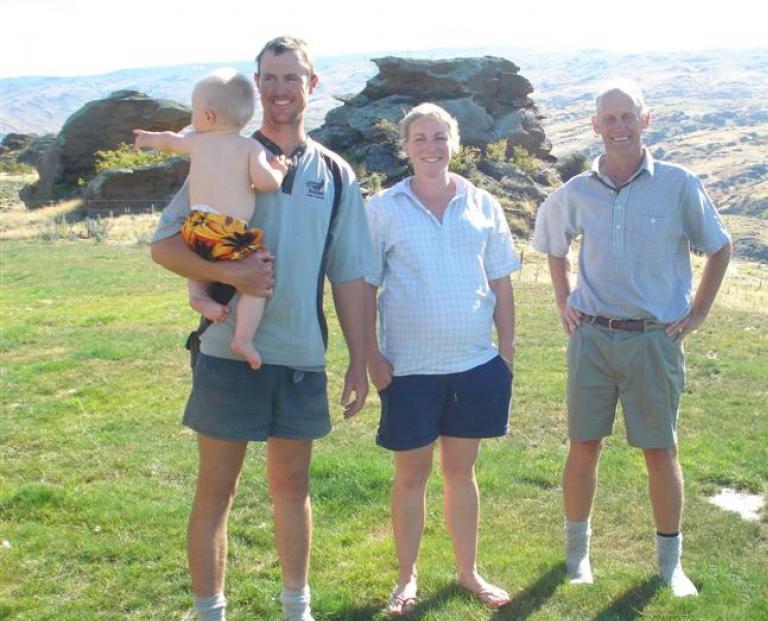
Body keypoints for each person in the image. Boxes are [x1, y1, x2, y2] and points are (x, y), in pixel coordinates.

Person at [150, 36, 371, 621]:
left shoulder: (337, 174)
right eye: (268, 78)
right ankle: (209, 611)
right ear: (255, 85)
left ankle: (297, 608)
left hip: (301, 357)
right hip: (226, 351)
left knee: (292, 489)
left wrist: (359, 358)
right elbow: (164, 245)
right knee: (214, 493)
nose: (279, 90)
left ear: (312, 86)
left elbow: (350, 275)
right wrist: (232, 273)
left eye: (291, 78)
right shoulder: (223, 151)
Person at [532, 83, 732, 597]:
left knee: (660, 451)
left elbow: (719, 246)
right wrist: (563, 299)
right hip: (592, 338)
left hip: (653, 339)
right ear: (595, 126)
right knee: (583, 446)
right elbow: (553, 244)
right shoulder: (576, 191)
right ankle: (577, 559)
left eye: (628, 117)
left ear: (646, 119)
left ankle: (670, 565)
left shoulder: (679, 184)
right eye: (609, 119)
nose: (619, 127)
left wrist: (697, 314)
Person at [364, 103, 520, 616]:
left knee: (461, 472)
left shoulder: (483, 204)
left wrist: (507, 351)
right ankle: (406, 579)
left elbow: (500, 281)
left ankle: (468, 571)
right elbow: (364, 286)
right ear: (405, 147)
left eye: (440, 137)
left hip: (474, 365)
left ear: (455, 144)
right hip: (407, 369)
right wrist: (371, 357)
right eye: (419, 138)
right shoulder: (382, 208)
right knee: (411, 476)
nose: (430, 147)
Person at [134, 68, 288, 369]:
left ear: (206, 116)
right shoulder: (249, 147)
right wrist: (279, 169)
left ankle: (198, 296)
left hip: (196, 225)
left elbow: (169, 141)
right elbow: (266, 183)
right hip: (229, 231)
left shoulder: (196, 141)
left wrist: (149, 139)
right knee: (255, 282)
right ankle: (243, 337)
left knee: (198, 255)